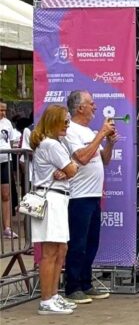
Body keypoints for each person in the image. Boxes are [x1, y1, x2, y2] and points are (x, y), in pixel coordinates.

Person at [63, 90, 117, 304]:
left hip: (93, 195)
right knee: (78, 243)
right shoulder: (70, 130)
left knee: (91, 242)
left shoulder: (88, 131)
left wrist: (110, 142)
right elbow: (82, 158)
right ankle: (72, 286)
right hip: (78, 195)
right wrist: (101, 134)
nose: (95, 107)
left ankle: (86, 283)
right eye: (91, 103)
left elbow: (104, 159)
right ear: (80, 108)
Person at [30, 105, 79, 315]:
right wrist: (69, 169)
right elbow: (72, 169)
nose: (67, 125)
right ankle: (46, 299)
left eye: (68, 121)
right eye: (64, 121)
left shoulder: (56, 143)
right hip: (51, 198)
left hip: (58, 197)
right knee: (50, 252)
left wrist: (69, 169)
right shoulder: (51, 144)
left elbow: (71, 168)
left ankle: (53, 294)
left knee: (61, 249)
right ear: (53, 122)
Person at [0, 99, 22, 239]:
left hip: (5, 160)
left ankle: (7, 228)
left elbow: (13, 141)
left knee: (6, 194)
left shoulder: (7, 123)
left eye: (4, 110)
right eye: (0, 110)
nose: (3, 113)